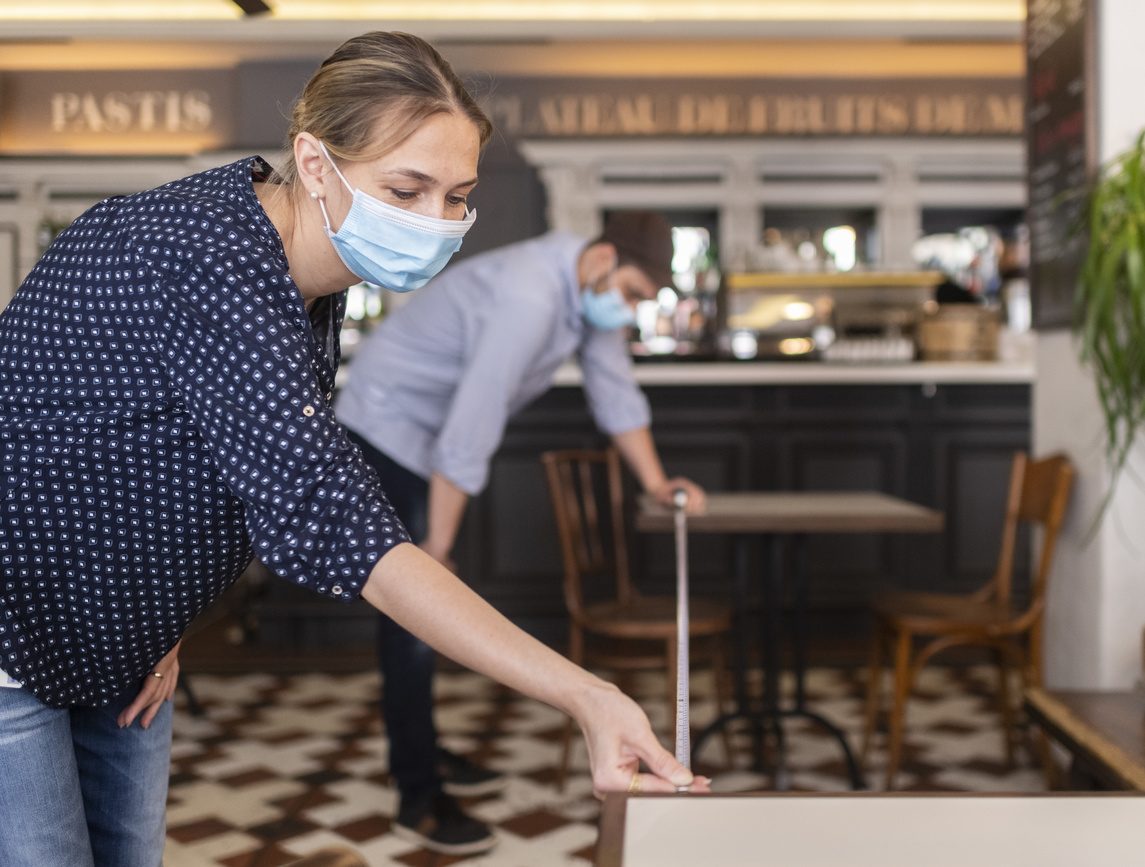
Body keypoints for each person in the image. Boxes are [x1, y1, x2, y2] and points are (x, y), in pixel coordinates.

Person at [0, 31, 704, 867]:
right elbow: (330, 515)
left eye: (457, 196)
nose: (436, 223)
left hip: (124, 637)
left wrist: (164, 607)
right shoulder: (210, 257)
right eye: (405, 188)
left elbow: (168, 447)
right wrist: (586, 694)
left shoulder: (306, 267)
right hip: (16, 627)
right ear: (315, 161)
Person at [333, 209, 707, 853]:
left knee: (432, 603)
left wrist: (655, 482)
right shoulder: (531, 297)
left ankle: (427, 753)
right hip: (387, 425)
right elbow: (469, 429)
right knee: (416, 612)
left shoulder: (587, 291)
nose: (633, 310)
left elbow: (615, 394)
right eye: (635, 295)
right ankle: (417, 795)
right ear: (603, 261)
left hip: (432, 436)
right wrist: (437, 552)